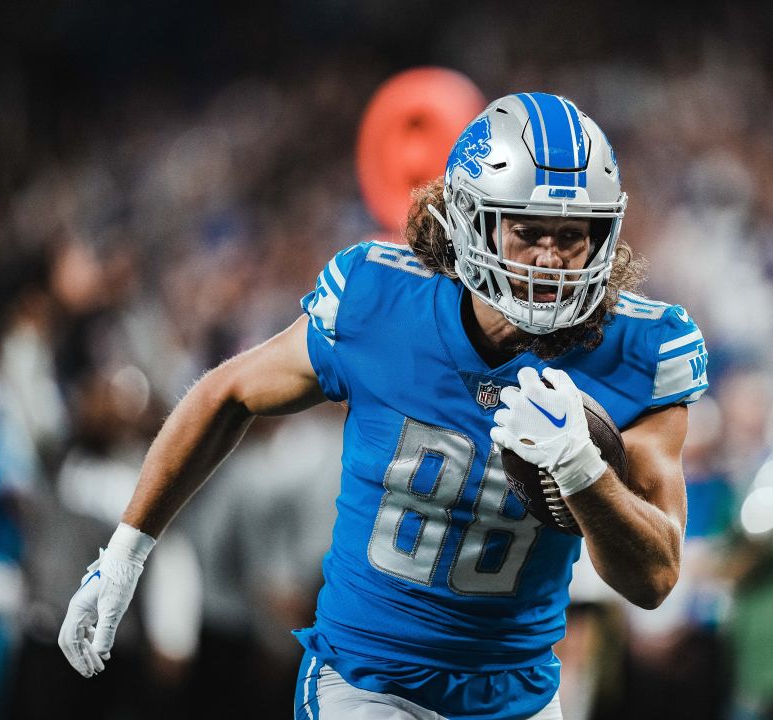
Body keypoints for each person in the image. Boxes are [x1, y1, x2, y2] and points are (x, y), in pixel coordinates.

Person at [59, 92, 710, 720]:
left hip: (516, 694)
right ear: (470, 221)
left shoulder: (641, 348)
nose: (551, 259)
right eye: (528, 230)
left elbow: (654, 577)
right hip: (365, 680)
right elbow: (226, 393)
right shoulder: (379, 299)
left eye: (574, 235)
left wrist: (583, 473)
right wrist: (124, 554)